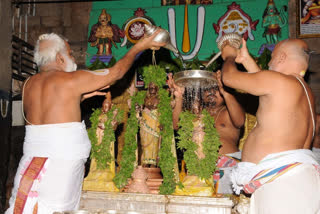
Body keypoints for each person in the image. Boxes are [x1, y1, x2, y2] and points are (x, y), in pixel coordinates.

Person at [5, 32, 165, 214]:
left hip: (30, 167)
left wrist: (76, 98)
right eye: (70, 53)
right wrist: (139, 47)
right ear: (59, 58)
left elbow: (49, 118)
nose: (72, 57)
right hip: (58, 171)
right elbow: (116, 73)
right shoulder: (71, 80)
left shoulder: (28, 85)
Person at [221, 38, 320, 213]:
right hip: (295, 181)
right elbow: (266, 90)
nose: (269, 62)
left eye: (271, 58)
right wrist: (246, 60)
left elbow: (229, 78)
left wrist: (229, 56)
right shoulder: (303, 90)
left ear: (281, 57)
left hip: (284, 185)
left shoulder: (280, 82)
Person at [168, 71, 245, 194]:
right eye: (207, 89)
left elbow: (240, 121)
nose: (211, 92)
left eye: (216, 88)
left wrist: (225, 92)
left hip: (226, 168)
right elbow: (176, 125)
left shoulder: (228, 111)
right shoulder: (197, 115)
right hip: (198, 170)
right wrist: (179, 97)